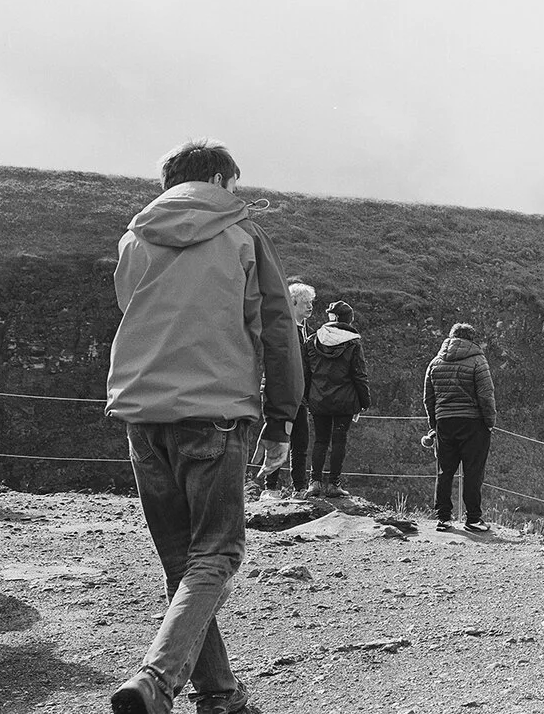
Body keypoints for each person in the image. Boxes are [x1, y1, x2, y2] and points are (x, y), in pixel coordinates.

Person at [103, 139, 301, 714]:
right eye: (233, 185)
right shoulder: (242, 232)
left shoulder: (134, 237)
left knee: (181, 561)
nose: (236, 194)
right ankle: (156, 680)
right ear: (219, 179)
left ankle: (218, 693)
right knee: (216, 554)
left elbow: (131, 311)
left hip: (142, 410)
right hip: (215, 410)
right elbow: (277, 327)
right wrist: (282, 420)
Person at [425, 322, 498, 532]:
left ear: (450, 337)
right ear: (471, 339)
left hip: (445, 422)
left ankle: (443, 518)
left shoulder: (435, 363)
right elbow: (486, 395)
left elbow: (428, 398)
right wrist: (489, 422)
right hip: (473, 423)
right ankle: (473, 519)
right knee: (473, 472)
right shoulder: (478, 361)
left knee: (444, 471)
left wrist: (434, 424)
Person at [254, 280, 317, 497]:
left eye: (311, 302)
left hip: (299, 395)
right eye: (305, 302)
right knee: (279, 437)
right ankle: (270, 488)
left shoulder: (303, 330)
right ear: (292, 303)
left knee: (300, 441)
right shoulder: (285, 329)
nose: (310, 306)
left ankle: (299, 488)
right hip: (282, 394)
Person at [302, 300, 370, 497]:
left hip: (318, 400)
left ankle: (314, 483)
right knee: (339, 441)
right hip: (345, 401)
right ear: (349, 320)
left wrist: (308, 398)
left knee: (320, 440)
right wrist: (364, 402)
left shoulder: (313, 340)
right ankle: (334, 484)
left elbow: (306, 374)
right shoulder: (353, 343)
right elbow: (359, 374)